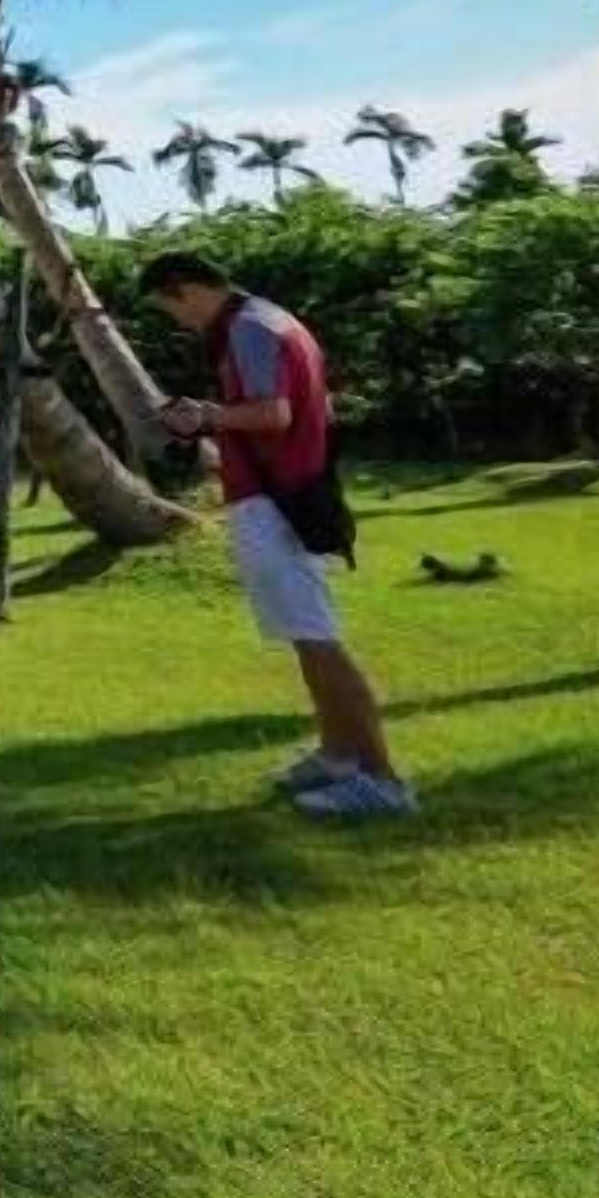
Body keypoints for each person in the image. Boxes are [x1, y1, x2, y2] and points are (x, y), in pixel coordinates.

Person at [138, 251, 416, 820]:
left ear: (185, 289)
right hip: (286, 493)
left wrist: (205, 416)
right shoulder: (269, 320)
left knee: (319, 639)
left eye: (172, 311)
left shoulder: (248, 328)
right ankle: (339, 756)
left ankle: (383, 781)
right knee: (305, 635)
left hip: (278, 500)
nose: (180, 324)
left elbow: (274, 413)